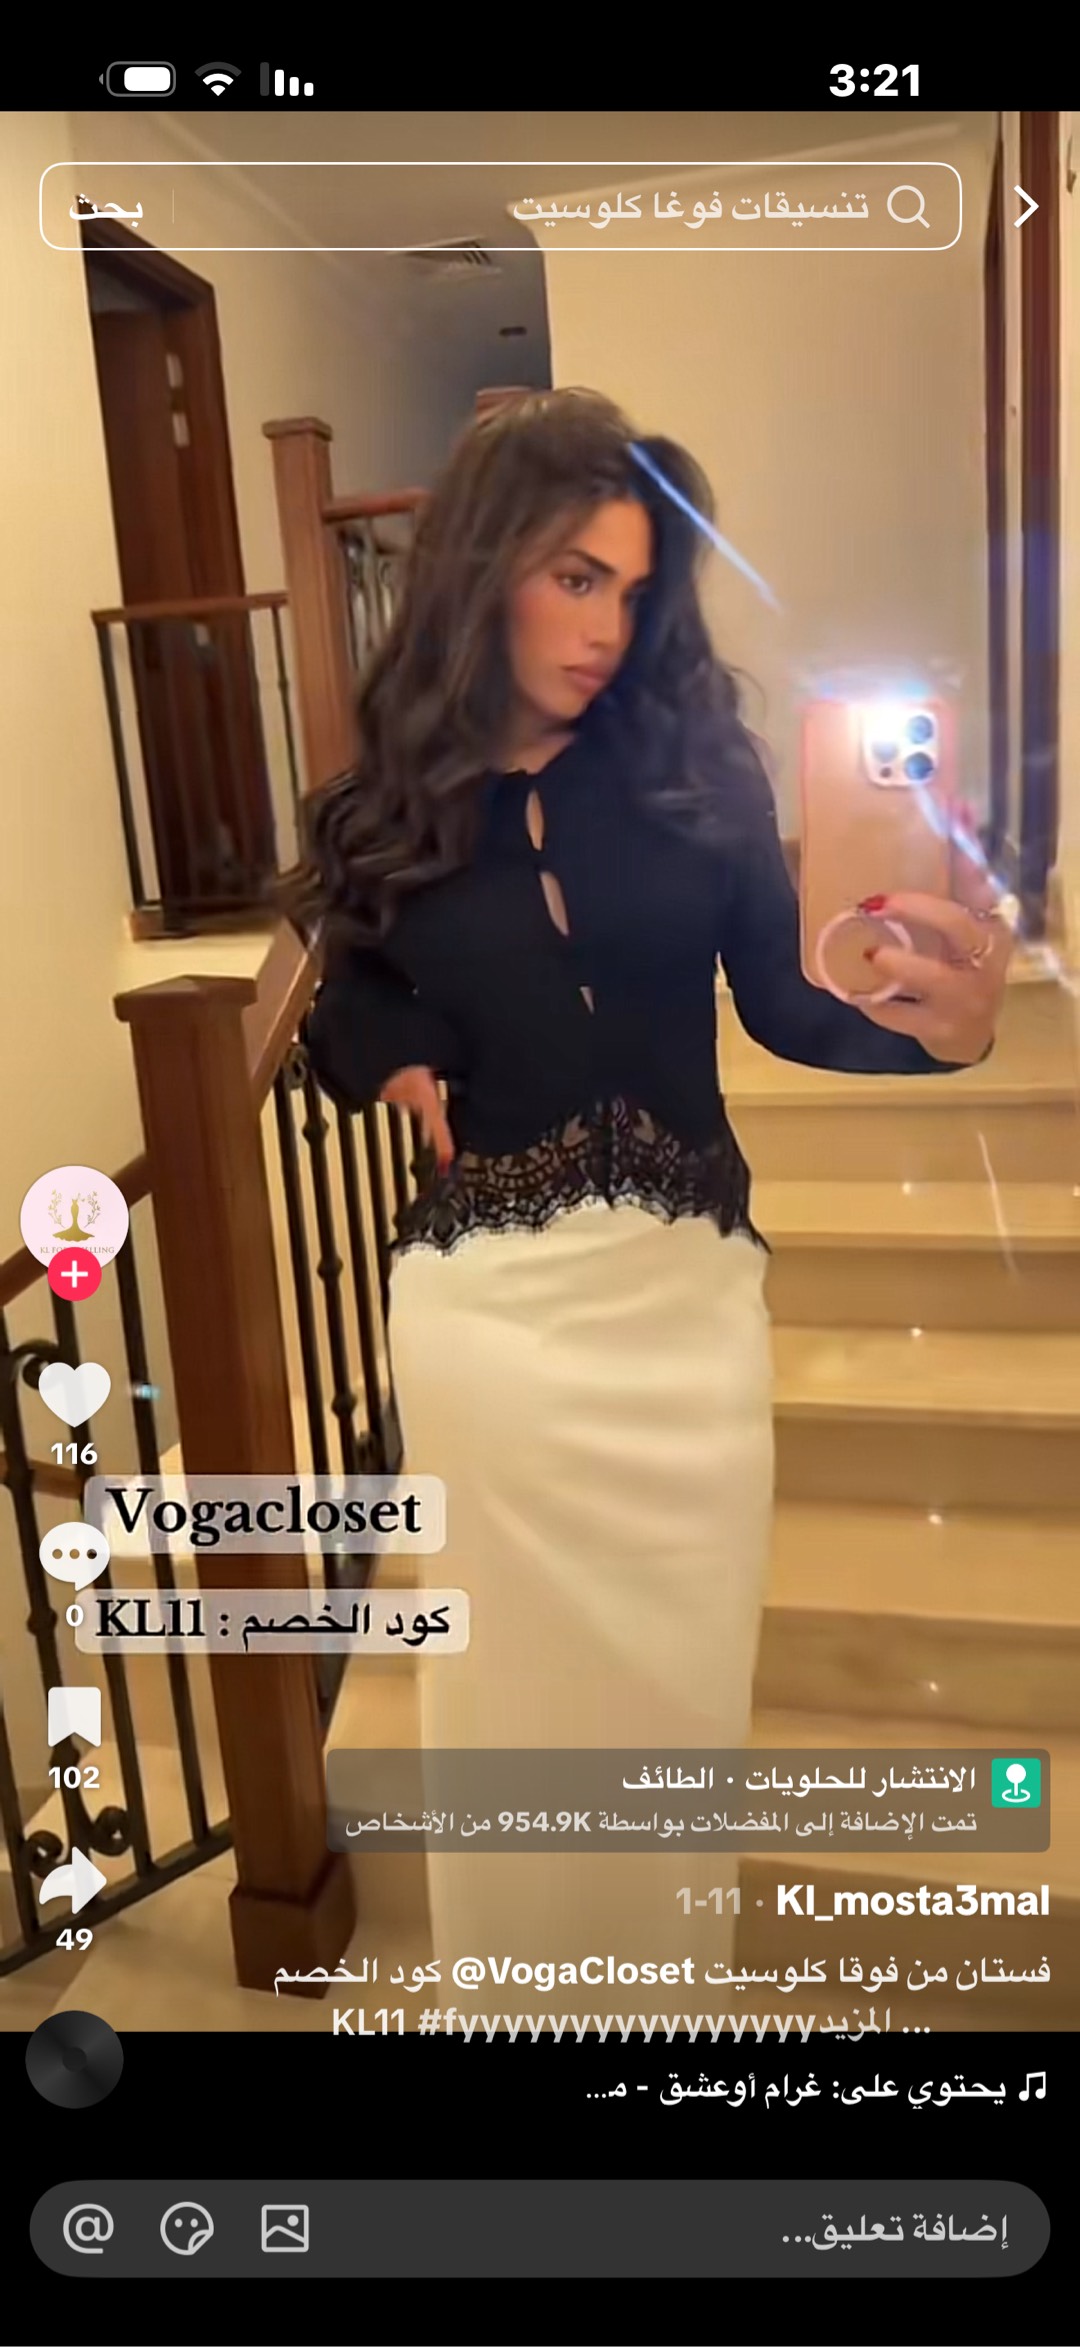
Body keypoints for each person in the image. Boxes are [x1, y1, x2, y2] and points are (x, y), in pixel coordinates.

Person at [297, 388, 1011, 1978]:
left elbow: (788, 1009)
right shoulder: (378, 809)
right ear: (483, 568)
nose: (608, 626)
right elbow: (346, 1002)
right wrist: (398, 1053)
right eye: (575, 578)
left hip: (689, 1319)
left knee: (677, 1712)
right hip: (490, 1322)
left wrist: (946, 1038)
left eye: (631, 588)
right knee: (505, 1714)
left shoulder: (702, 776)